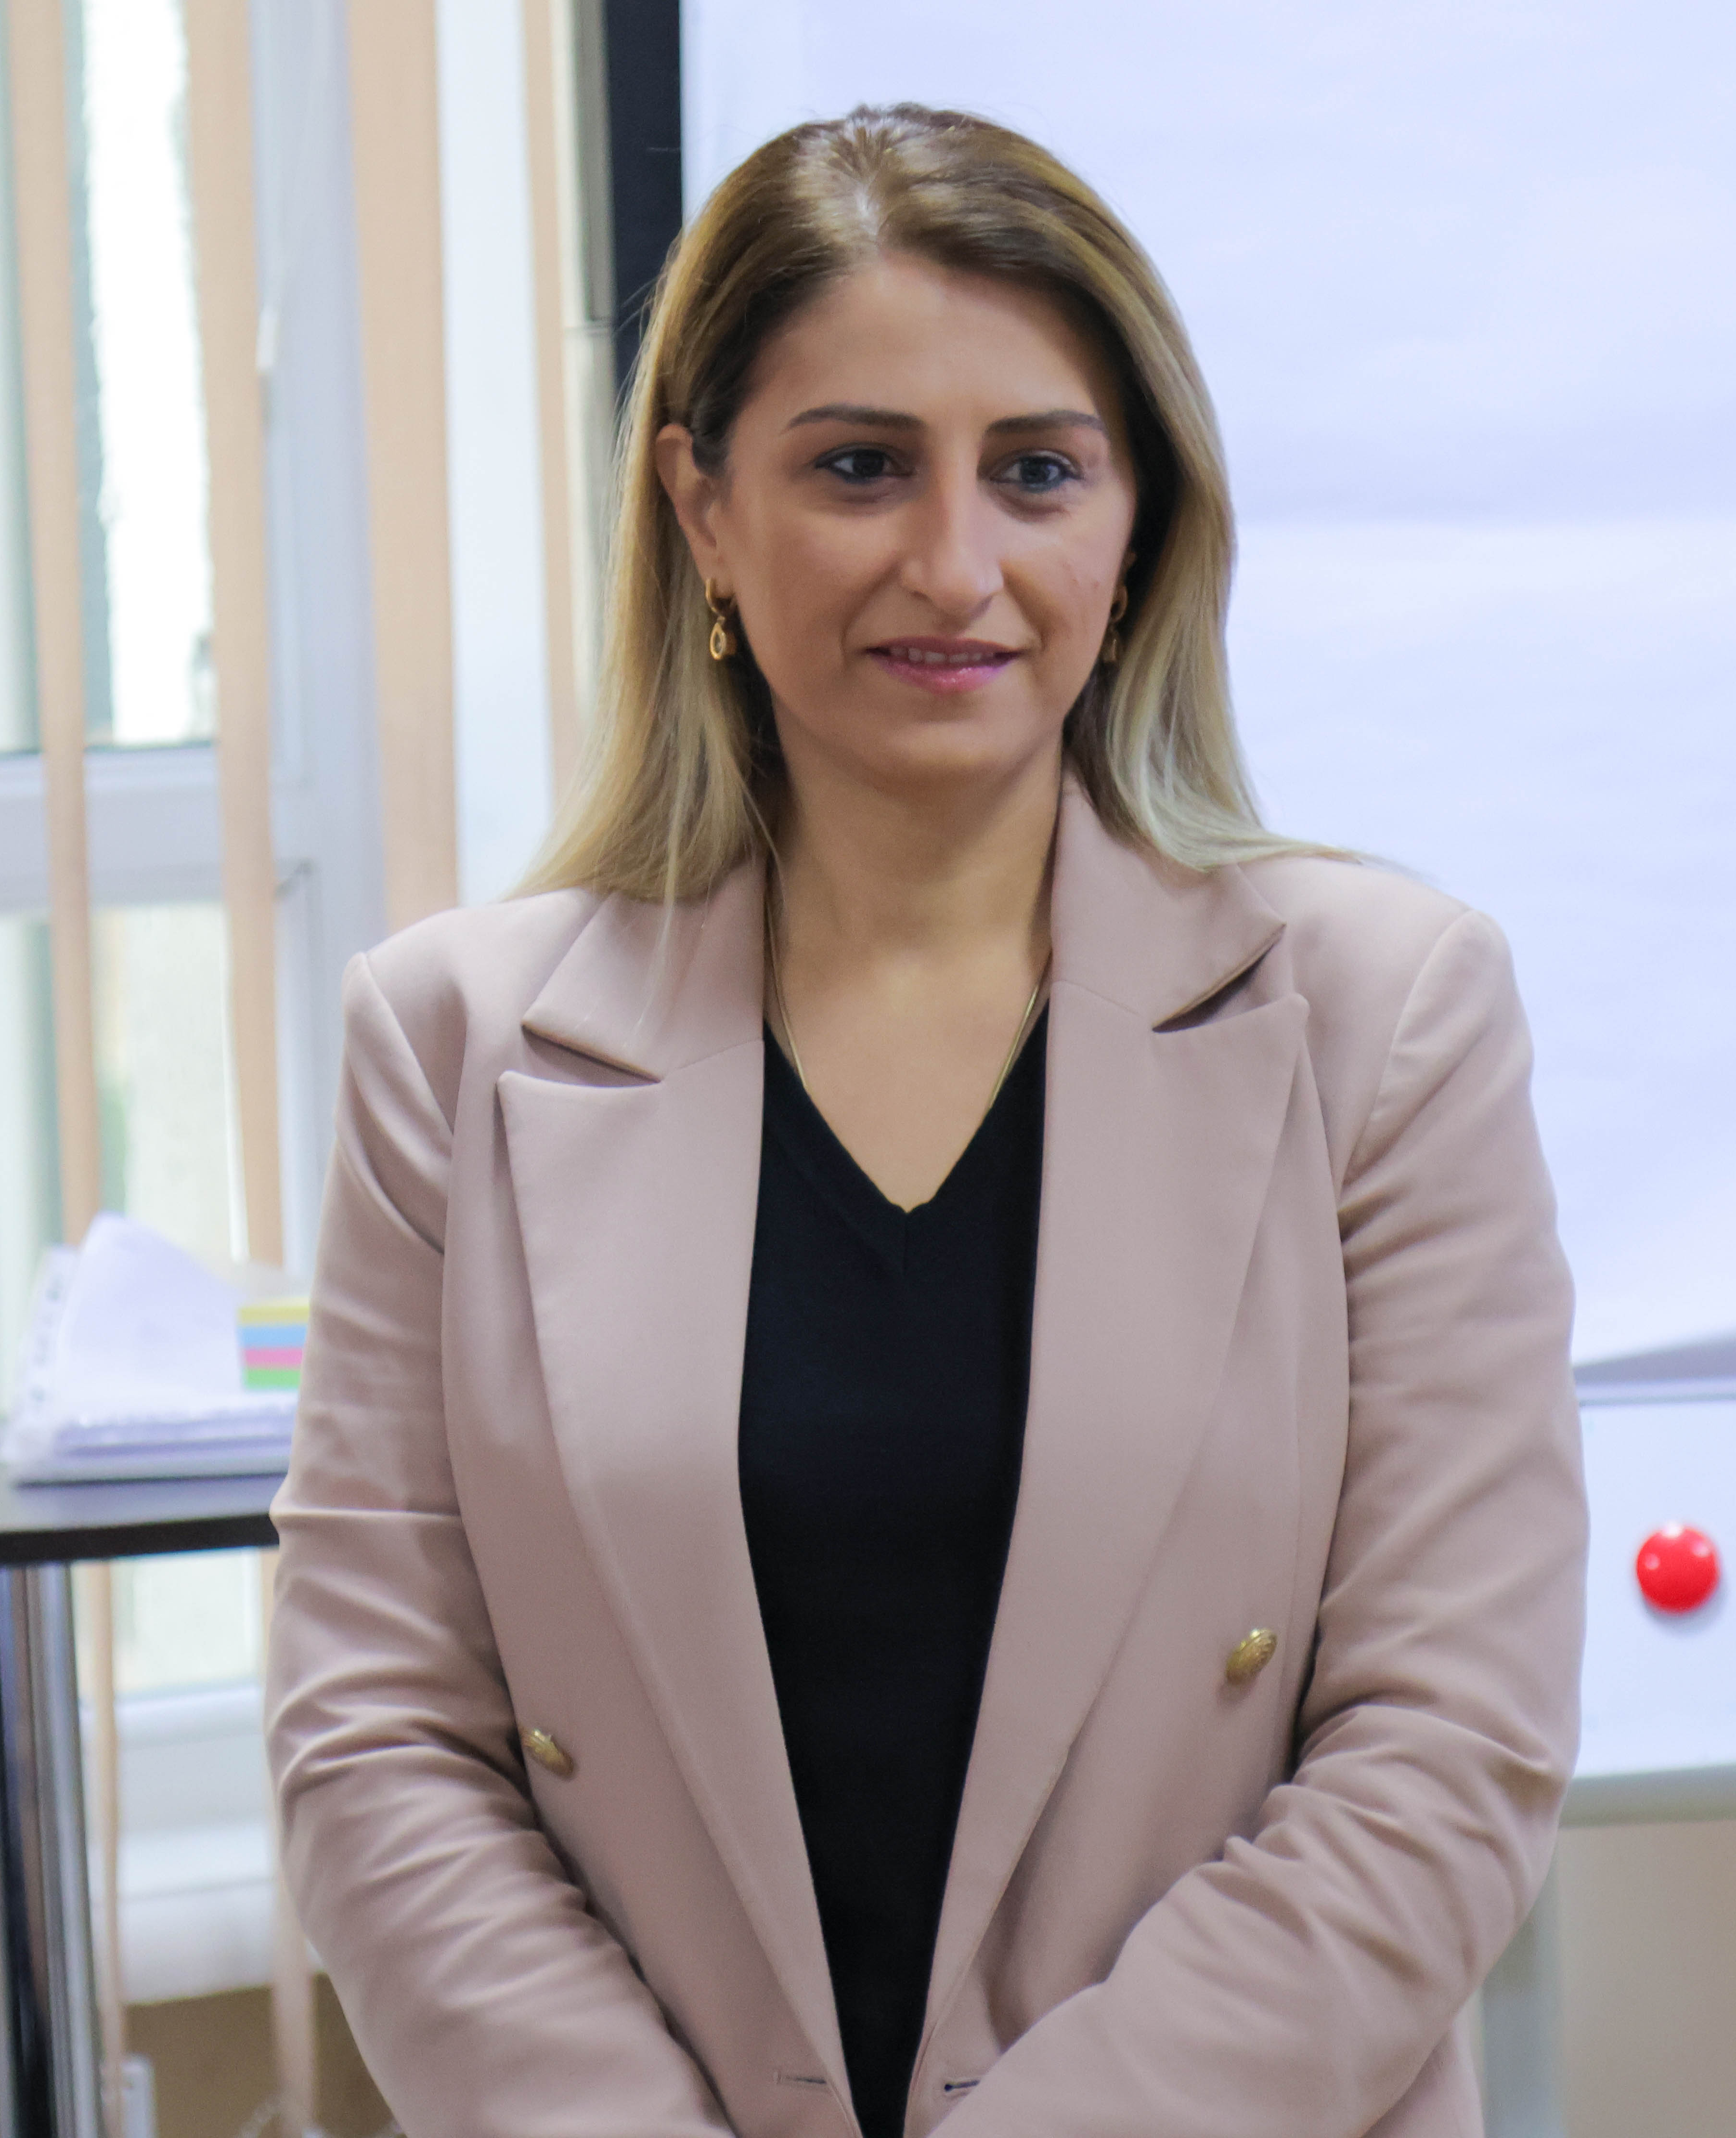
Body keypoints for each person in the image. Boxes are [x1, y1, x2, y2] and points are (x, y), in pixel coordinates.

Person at [266, 104, 1586, 2138]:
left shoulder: (1386, 1019)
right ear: (703, 509)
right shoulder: (448, 1052)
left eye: (1038, 470)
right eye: (860, 465)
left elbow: (1449, 1747)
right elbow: (378, 1743)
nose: (956, 566)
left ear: (1137, 529)